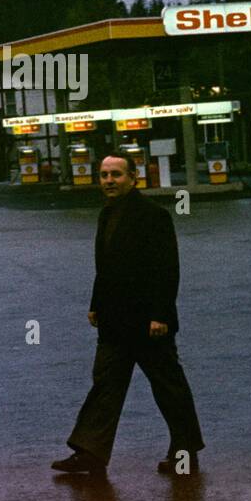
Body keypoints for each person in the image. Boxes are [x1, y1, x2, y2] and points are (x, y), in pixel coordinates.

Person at [52, 154, 205, 476]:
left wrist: (160, 316)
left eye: (116, 175)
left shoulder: (154, 216)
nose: (109, 181)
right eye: (104, 175)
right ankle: (90, 453)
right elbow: (105, 267)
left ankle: (185, 454)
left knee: (168, 389)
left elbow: (167, 270)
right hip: (114, 321)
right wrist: (96, 304)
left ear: (133, 178)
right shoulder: (107, 214)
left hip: (149, 324)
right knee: (105, 387)